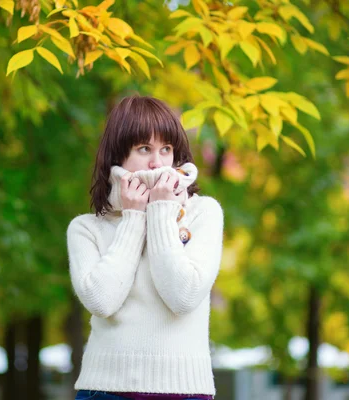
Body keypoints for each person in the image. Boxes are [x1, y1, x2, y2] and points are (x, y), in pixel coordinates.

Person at [66, 95, 224, 400]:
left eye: (166, 149)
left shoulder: (203, 213)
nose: (157, 163)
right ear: (117, 157)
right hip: (106, 390)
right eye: (144, 149)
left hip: (185, 390)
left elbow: (184, 296)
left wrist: (162, 212)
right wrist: (134, 218)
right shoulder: (86, 228)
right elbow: (102, 301)